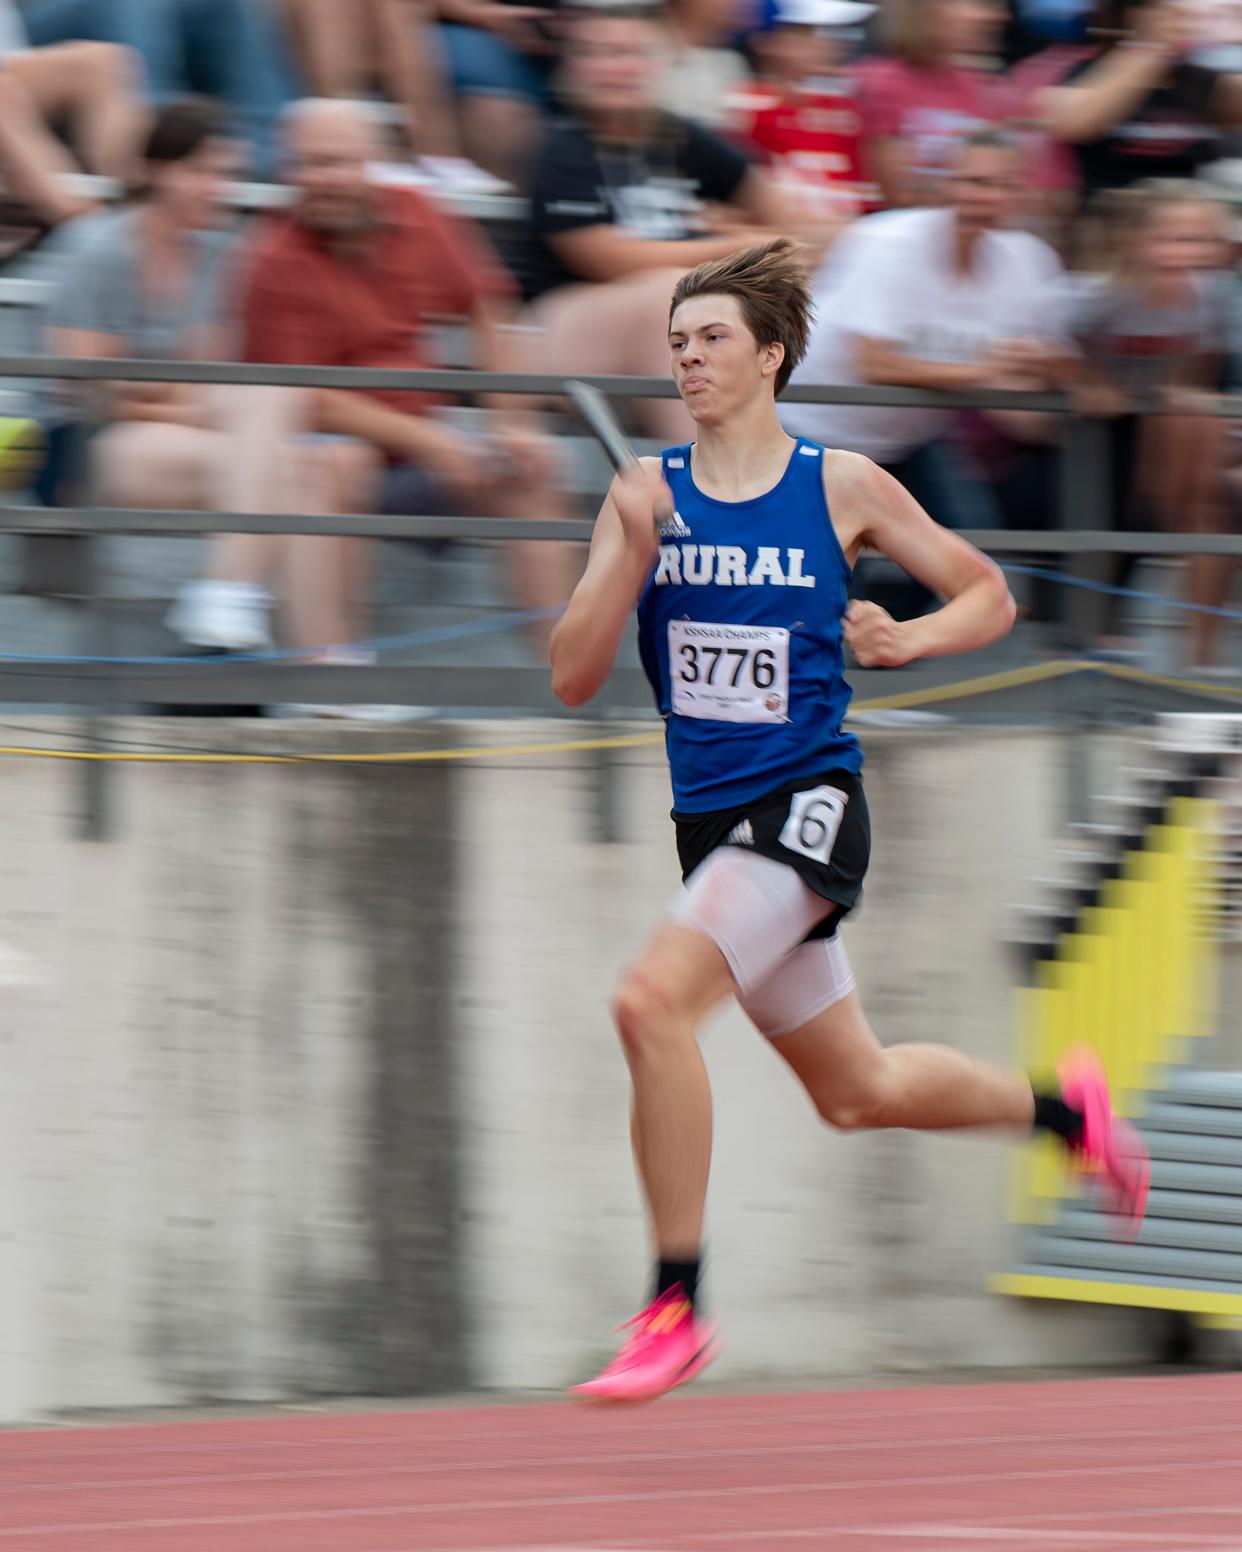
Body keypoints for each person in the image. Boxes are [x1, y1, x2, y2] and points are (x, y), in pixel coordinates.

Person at [549, 237, 1150, 1403]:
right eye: (677, 343)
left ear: (771, 356)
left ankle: (675, 1304)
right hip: (710, 825)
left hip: (808, 807)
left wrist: (908, 637)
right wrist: (625, 559)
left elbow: (989, 591)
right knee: (857, 1091)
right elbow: (571, 676)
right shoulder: (642, 494)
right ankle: (1064, 1110)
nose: (690, 358)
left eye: (713, 338)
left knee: (646, 1002)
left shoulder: (841, 486)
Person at [235, 97, 576, 657]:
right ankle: (334, 670)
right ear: (287, 170)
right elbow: (303, 399)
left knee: (532, 465)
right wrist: (435, 442)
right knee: (335, 462)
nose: (327, 179)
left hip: (422, 446)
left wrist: (511, 420)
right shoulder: (272, 255)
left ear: (376, 161)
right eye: (311, 163)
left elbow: (489, 308)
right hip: (339, 454)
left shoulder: (417, 211)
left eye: (341, 161)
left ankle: (565, 669)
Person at [44, 99, 371, 657]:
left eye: (228, 173)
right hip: (83, 448)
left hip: (181, 433)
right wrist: (180, 405)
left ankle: (293, 640)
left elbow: (205, 373)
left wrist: (174, 400)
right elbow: (89, 389)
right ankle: (315, 658)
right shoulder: (97, 247)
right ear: (156, 170)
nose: (218, 187)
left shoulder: (225, 252)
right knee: (291, 457)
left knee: (306, 466)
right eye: (200, 171)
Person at [523, 1, 825, 441]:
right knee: (677, 294)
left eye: (631, 53)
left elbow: (796, 225)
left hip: (669, 331)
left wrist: (739, 237)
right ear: (574, 67)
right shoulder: (563, 148)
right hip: (565, 326)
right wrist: (737, 244)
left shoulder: (682, 138)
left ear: (659, 63)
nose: (616, 68)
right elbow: (609, 260)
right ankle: (703, 474)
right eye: (597, 53)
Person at [782, 129, 1068, 536]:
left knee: (969, 557)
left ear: (1021, 193)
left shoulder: (1028, 261)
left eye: (1000, 185)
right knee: (830, 574)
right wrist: (987, 371)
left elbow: (1037, 370)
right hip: (812, 429)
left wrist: (1053, 376)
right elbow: (871, 362)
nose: (983, 196)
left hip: (909, 437)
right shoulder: (892, 242)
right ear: (945, 184)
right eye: (972, 181)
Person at [1067, 180, 1236, 665]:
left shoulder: (1209, 296)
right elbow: (1057, 349)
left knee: (1207, 500)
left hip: (1161, 420)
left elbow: (1199, 366)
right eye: (1174, 239)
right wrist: (1087, 380)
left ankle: (1201, 652)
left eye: (1200, 241)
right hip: (1098, 429)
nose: (1187, 253)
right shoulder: (1100, 295)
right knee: (1127, 504)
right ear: (1137, 241)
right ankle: (1094, 623)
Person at [727, 0, 879, 216]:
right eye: (804, 34)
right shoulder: (743, 104)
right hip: (783, 234)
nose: (824, 43)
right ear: (764, 42)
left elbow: (867, 188)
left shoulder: (846, 105)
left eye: (827, 33)